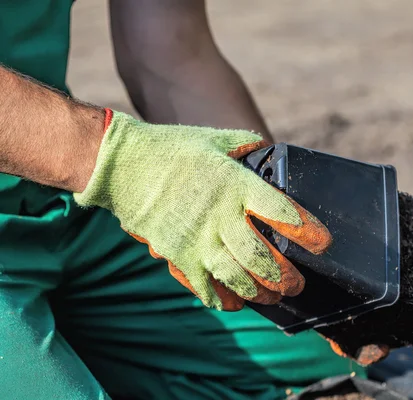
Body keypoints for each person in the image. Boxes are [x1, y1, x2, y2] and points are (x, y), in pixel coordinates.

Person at [0, 1, 365, 399]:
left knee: (352, 338)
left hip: (59, 201)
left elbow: (171, 49)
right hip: (80, 163)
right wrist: (120, 162)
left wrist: (270, 211)